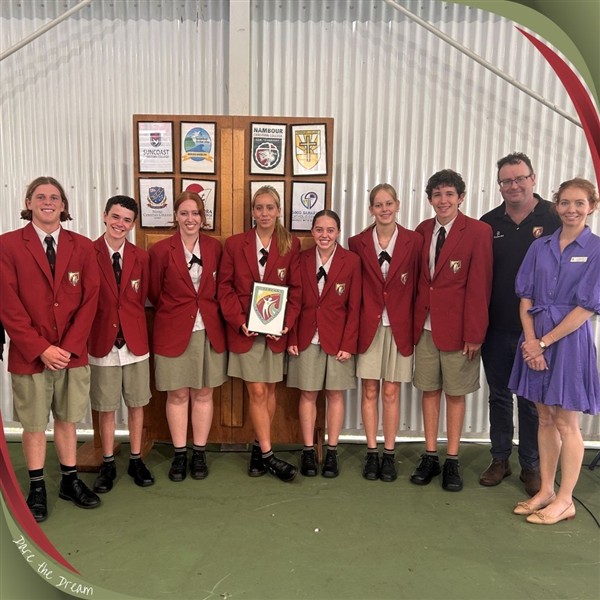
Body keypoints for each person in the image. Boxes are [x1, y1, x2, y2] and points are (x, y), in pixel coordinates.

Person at [0, 176, 101, 522]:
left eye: (54, 197)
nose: (48, 202)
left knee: (68, 420)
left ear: (63, 205)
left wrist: (68, 348)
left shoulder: (83, 246)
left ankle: (69, 481)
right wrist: (41, 348)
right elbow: (7, 305)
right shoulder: (8, 246)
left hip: (71, 355)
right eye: (40, 196)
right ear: (28, 202)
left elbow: (90, 301)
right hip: (30, 355)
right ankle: (38, 486)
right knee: (33, 424)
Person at [509, 178, 600, 524]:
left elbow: (586, 307)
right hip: (535, 340)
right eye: (564, 203)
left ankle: (565, 499)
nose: (571, 209)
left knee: (566, 421)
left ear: (592, 205)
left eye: (579, 203)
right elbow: (526, 296)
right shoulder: (540, 246)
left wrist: (544, 343)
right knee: (544, 417)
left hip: (568, 343)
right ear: (555, 206)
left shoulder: (596, 250)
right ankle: (546, 489)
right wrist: (531, 342)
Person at [479, 152, 561, 496]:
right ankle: (500, 458)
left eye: (519, 178)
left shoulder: (555, 219)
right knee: (498, 396)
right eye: (506, 181)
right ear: (499, 186)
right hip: (495, 326)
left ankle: (530, 465)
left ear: (533, 178)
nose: (513, 185)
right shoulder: (488, 222)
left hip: (537, 330)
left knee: (531, 400)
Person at [410, 169, 493, 491]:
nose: (443, 200)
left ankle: (453, 460)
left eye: (449, 194)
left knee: (455, 394)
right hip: (426, 329)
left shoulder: (478, 231)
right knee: (429, 390)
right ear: (429, 199)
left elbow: (480, 286)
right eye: (437, 195)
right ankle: (431, 455)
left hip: (460, 332)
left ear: (461, 197)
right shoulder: (421, 230)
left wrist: (475, 333)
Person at [218, 185, 301, 482]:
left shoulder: (291, 244)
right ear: (252, 212)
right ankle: (269, 456)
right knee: (255, 390)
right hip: (246, 331)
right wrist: (240, 321)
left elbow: (297, 290)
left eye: (270, 207)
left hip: (276, 333)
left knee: (270, 390)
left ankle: (257, 448)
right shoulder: (235, 244)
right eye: (259, 207)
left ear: (279, 211)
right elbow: (224, 288)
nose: (264, 213)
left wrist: (287, 323)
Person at [148, 190, 227, 481]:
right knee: (178, 393)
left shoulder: (215, 248)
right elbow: (154, 292)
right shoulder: (160, 251)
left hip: (208, 330)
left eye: (195, 213)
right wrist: (178, 311)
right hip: (173, 330)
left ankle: (199, 453)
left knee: (204, 392)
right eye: (184, 213)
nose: (190, 219)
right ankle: (180, 454)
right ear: (176, 217)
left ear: (203, 218)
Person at [348, 184, 422, 482]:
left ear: (398, 204)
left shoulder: (414, 241)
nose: (384, 209)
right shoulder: (357, 243)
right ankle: (371, 451)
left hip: (400, 326)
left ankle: (389, 454)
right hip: (370, 325)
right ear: (370, 209)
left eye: (389, 203)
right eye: (378, 205)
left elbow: (418, 287)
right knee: (370, 390)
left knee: (391, 391)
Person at [287, 210, 361, 478]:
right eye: (319, 229)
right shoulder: (300, 260)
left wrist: (349, 343)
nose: (324, 235)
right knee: (307, 393)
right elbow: (293, 301)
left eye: (330, 230)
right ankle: (308, 450)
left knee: (335, 394)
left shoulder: (351, 261)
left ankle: (331, 451)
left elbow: (355, 308)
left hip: (338, 339)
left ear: (338, 232)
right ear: (312, 232)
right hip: (306, 338)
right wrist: (292, 336)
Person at [88, 195, 154, 493]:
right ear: (105, 216)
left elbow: (140, 300)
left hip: (134, 341)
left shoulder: (141, 257)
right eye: (115, 217)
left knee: (137, 402)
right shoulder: (87, 252)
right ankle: (107, 461)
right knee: (106, 406)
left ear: (133, 224)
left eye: (127, 220)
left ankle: (137, 458)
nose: (120, 224)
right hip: (102, 341)